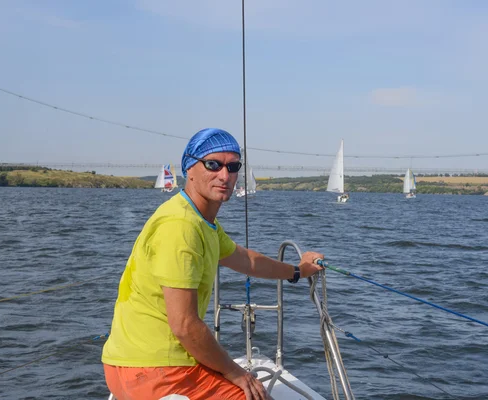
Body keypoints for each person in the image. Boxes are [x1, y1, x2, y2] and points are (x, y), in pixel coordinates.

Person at [102, 128, 324, 400]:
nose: (225, 175)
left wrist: (298, 271)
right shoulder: (181, 226)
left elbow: (246, 260)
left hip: (135, 364)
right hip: (153, 368)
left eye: (232, 166)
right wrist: (237, 373)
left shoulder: (200, 221)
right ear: (189, 168)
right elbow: (184, 325)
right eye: (213, 164)